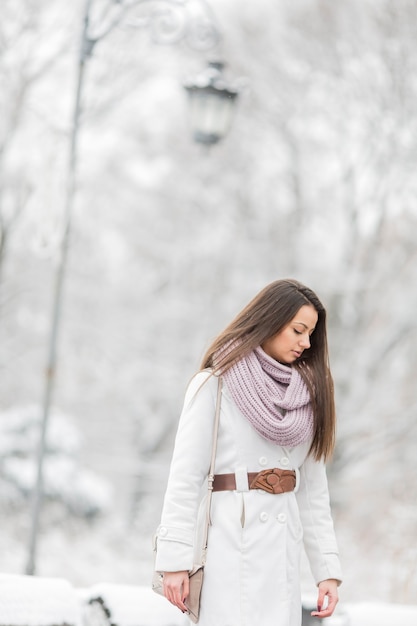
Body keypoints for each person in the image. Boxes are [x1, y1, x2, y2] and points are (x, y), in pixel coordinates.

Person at [154, 279, 342, 626]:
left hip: (282, 554)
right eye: (298, 330)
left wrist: (326, 571)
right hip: (229, 544)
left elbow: (314, 492)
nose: (307, 342)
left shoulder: (309, 399)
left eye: (311, 333)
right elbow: (185, 477)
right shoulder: (215, 384)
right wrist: (174, 561)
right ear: (270, 321)